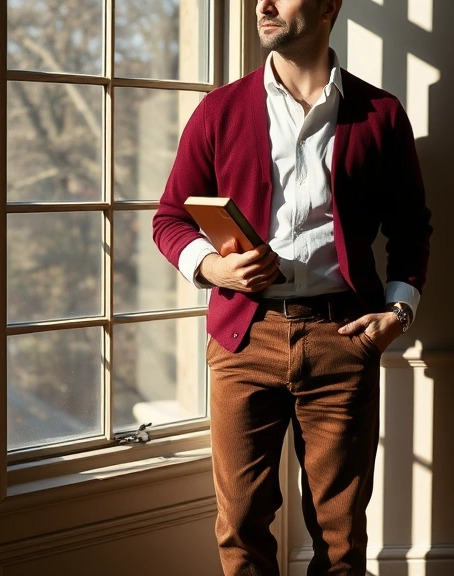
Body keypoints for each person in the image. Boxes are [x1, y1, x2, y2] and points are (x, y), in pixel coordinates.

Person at [152, 0, 431, 573]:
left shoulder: (379, 113)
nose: (264, 4)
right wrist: (213, 269)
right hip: (242, 340)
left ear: (330, 5)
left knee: (340, 538)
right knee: (241, 528)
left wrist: (398, 313)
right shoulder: (219, 111)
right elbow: (170, 218)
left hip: (343, 337)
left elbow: (410, 226)